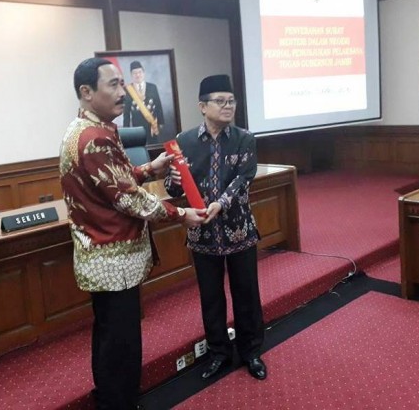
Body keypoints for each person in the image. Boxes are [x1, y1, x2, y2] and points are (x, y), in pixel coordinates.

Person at [59, 57, 205, 410]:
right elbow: (128, 198)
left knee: (109, 336)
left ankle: (109, 397)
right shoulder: (94, 137)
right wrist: (180, 214)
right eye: (113, 84)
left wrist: (149, 168)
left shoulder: (85, 128)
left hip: (100, 257)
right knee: (121, 344)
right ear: (86, 91)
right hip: (114, 260)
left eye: (122, 83)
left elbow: (113, 180)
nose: (122, 92)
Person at [164, 74, 267, 381]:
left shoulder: (244, 138)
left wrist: (220, 203)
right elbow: (172, 187)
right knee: (211, 297)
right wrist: (173, 179)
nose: (228, 106)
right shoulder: (184, 141)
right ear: (202, 106)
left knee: (246, 294)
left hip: (238, 229)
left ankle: (251, 351)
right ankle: (219, 352)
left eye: (231, 100)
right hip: (202, 232)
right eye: (220, 101)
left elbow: (243, 178)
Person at [123, 60, 164, 145]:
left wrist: (161, 122)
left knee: (154, 148)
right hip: (137, 127)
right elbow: (126, 112)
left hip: (152, 125)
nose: (138, 75)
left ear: (143, 73)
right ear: (131, 75)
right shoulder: (128, 90)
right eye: (135, 73)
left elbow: (158, 106)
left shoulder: (152, 87)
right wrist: (125, 129)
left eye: (140, 72)